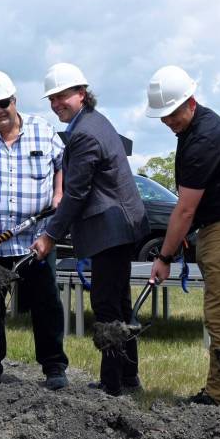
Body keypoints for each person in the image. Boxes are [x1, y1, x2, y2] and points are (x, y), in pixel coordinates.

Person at [145, 65, 220, 407]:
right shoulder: (194, 129)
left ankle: (219, 397)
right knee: (218, 310)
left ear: (191, 101)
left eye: (173, 113)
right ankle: (219, 392)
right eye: (163, 116)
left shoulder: (204, 139)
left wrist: (164, 257)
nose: (168, 121)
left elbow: (184, 210)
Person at [31, 63, 149, 395]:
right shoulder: (96, 121)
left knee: (107, 307)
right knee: (121, 305)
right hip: (122, 226)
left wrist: (50, 235)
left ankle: (113, 386)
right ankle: (128, 378)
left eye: (62, 96)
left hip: (110, 230)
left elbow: (77, 193)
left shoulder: (84, 133)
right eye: (52, 99)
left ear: (81, 93)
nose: (56, 104)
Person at [0, 70, 69, 389]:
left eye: (2, 103)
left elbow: (62, 166)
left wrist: (59, 194)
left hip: (37, 241)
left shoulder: (43, 130)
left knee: (46, 305)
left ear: (14, 100)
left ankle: (54, 368)